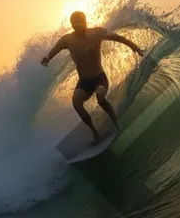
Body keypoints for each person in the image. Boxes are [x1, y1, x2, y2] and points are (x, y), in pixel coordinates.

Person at [41, 11, 144, 145]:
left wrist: (133, 46)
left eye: (81, 25)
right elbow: (54, 51)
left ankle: (116, 123)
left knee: (100, 97)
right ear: (72, 25)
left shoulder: (96, 33)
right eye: (76, 26)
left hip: (99, 78)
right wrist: (47, 59)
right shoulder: (66, 40)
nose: (79, 28)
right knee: (76, 101)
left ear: (85, 22)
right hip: (84, 82)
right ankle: (95, 134)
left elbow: (116, 37)